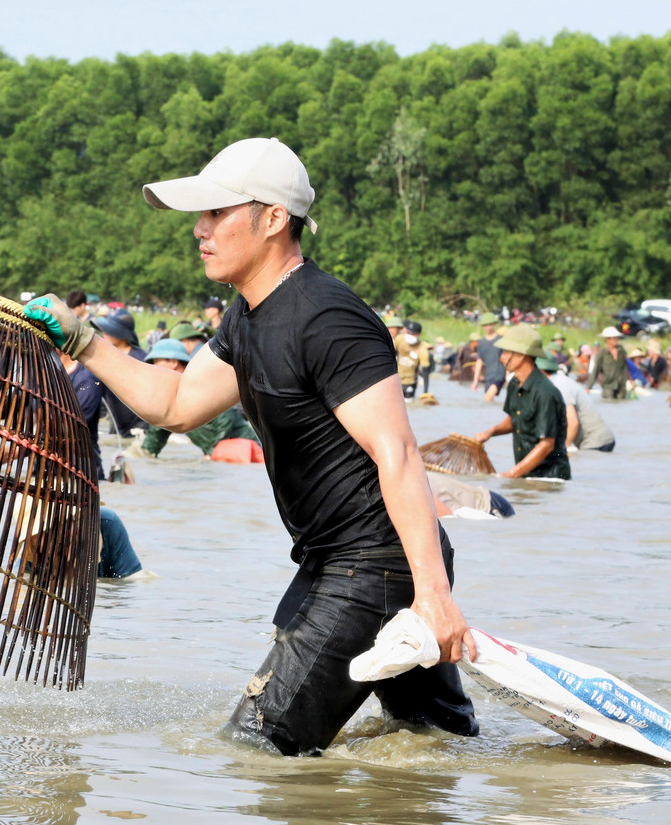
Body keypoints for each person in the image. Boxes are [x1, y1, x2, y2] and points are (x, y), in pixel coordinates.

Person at [26, 136, 478, 756]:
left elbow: (396, 452)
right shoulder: (248, 315)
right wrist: (83, 341)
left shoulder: (327, 317)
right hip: (337, 561)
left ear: (273, 219)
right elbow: (177, 405)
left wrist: (433, 595)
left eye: (217, 213)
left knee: (258, 746)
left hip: (377, 564)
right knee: (432, 737)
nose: (199, 230)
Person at [136, 339, 262, 461]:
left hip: (248, 450)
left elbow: (226, 420)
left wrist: (213, 451)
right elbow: (156, 434)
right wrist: (142, 456)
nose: (153, 367)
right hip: (222, 456)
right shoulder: (170, 395)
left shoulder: (200, 383)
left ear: (173, 362)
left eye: (156, 361)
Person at [473, 325, 572, 480]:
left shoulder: (545, 393)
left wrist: (511, 474)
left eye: (506, 352)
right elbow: (515, 420)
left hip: (550, 478)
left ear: (521, 355)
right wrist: (491, 432)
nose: (502, 358)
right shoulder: (514, 384)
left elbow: (547, 444)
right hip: (526, 474)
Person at [536, 355, 615, 452]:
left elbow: (573, 423)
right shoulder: (557, 381)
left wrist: (565, 447)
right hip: (596, 441)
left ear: (541, 371)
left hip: (596, 442)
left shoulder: (559, 385)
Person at [91, 312, 147, 435]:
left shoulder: (141, 360)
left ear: (121, 334)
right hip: (116, 425)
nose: (104, 334)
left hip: (140, 427)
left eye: (108, 331)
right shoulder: (105, 359)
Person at [58, 349, 106, 480]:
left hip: (82, 472)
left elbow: (70, 429)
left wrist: (21, 449)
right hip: (44, 467)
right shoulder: (39, 374)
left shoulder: (87, 381)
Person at [470, 312, 506, 401]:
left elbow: (506, 358)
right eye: (486, 325)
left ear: (494, 324)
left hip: (499, 374)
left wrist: (508, 376)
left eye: (490, 324)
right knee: (488, 400)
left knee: (488, 396)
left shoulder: (501, 339)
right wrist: (475, 381)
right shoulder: (481, 343)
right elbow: (479, 361)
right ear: (483, 326)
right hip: (488, 376)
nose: (489, 327)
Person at [587, 327, 630, 399]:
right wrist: (588, 387)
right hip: (608, 385)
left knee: (621, 402)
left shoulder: (621, 351)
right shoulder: (602, 353)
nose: (616, 339)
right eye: (614, 338)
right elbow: (596, 370)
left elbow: (625, 367)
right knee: (609, 401)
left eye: (616, 338)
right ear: (607, 339)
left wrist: (629, 381)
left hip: (621, 385)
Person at [386, 314, 420, 399]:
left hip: (406, 377)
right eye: (396, 329)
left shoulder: (402, 340)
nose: (397, 331)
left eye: (399, 329)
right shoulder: (386, 340)